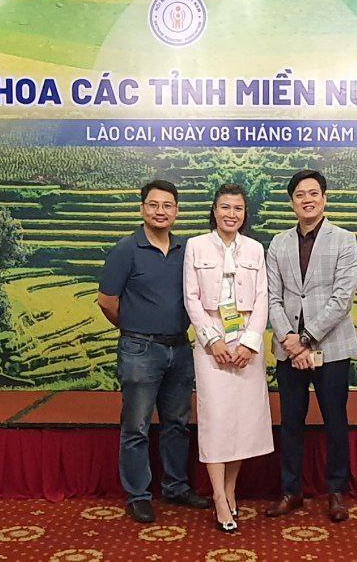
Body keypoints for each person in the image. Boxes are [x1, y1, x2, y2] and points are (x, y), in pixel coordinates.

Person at [97, 179, 213, 523]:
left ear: (176, 211)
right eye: (153, 204)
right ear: (142, 208)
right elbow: (107, 301)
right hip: (140, 349)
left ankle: (176, 487)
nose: (160, 211)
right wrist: (136, 326)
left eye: (167, 205)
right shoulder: (125, 249)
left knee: (177, 423)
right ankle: (138, 495)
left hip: (179, 348)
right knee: (137, 426)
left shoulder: (186, 250)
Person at [264, 169, 357, 523]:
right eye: (300, 195)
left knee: (335, 420)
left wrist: (305, 338)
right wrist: (289, 339)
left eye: (313, 193)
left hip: (330, 347)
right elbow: (273, 297)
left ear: (324, 198)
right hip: (288, 348)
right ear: (292, 202)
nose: (307, 200)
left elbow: (342, 299)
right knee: (290, 422)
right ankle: (291, 491)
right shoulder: (278, 243)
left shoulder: (344, 239)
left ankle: (336, 492)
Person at [182, 184, 274, 532]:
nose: (231, 214)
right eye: (225, 207)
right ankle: (219, 497)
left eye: (238, 208)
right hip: (212, 341)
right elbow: (191, 298)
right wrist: (212, 339)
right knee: (217, 420)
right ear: (214, 210)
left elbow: (263, 298)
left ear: (245, 213)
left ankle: (231, 488)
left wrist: (250, 343)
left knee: (242, 423)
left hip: (246, 338)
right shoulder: (196, 246)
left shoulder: (254, 248)